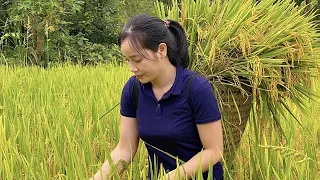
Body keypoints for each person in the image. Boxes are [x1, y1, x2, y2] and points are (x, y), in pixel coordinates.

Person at [91, 14, 223, 180]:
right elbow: (125, 149)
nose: (132, 68)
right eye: (127, 60)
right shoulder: (133, 89)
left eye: (137, 59)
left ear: (162, 49)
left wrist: (172, 177)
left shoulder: (196, 88)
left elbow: (213, 151)